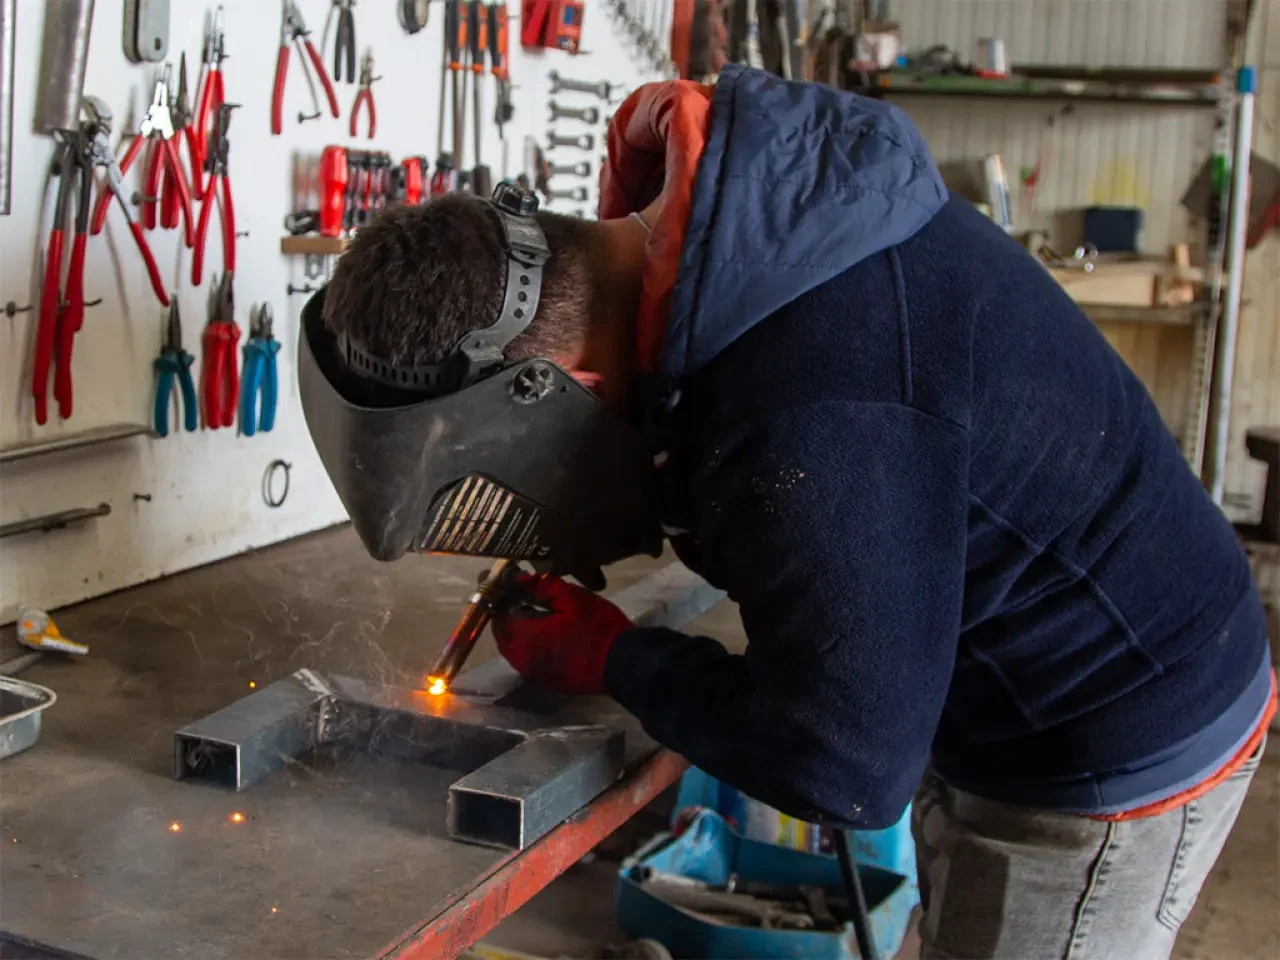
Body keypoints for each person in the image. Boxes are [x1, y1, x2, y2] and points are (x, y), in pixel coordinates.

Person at [318, 66, 1274, 959]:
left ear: (557, 381)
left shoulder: (809, 407)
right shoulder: (741, 239)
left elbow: (845, 771)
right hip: (1006, 688)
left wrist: (618, 659)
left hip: (1112, 739)